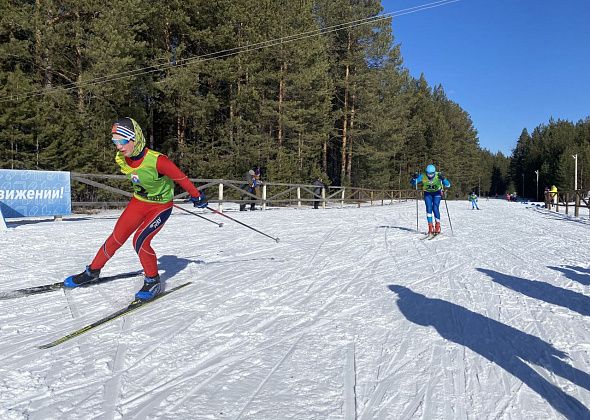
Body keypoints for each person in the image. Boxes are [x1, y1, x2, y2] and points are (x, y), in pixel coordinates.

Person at [64, 117, 207, 301]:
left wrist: (197, 196)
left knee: (140, 240)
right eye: (114, 141)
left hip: (160, 207)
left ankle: (153, 280)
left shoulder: (158, 161)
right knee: (117, 236)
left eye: (122, 141)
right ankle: (93, 272)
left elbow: (181, 178)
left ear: (135, 138)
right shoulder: (123, 158)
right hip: (139, 202)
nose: (118, 146)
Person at [411, 164, 451, 235]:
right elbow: (413, 183)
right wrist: (414, 178)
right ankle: (430, 226)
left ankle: (437, 225)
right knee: (428, 208)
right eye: (428, 173)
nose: (430, 175)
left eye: (432, 173)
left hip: (437, 193)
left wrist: (443, 179)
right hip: (428, 193)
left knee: (435, 208)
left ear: (434, 172)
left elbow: (448, 185)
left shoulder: (438, 175)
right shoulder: (423, 176)